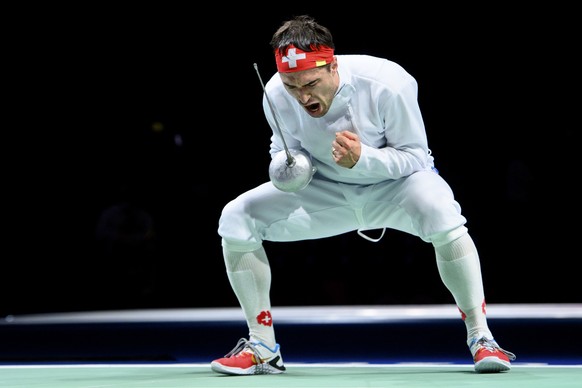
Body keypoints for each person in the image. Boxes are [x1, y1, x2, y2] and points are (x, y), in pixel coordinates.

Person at [211, 14, 515, 375]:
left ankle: (482, 338)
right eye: (292, 86)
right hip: (325, 191)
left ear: (332, 64)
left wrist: (363, 159)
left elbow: (416, 156)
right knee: (236, 216)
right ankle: (262, 346)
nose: (302, 95)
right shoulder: (276, 92)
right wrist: (286, 167)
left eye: (310, 82)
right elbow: (283, 147)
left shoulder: (387, 82)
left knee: (441, 210)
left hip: (396, 188)